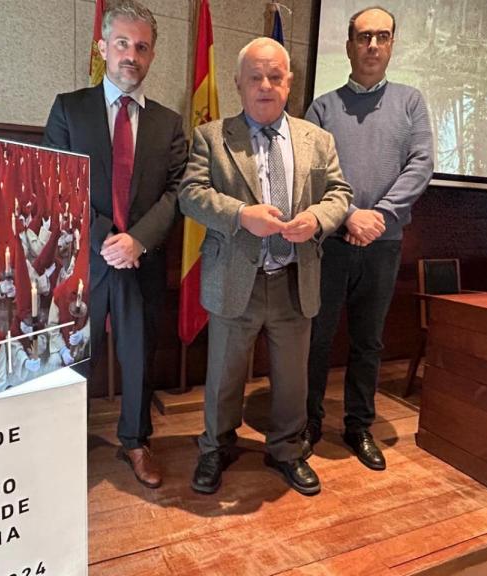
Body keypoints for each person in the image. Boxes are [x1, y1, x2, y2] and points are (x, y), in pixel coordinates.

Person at [179, 37, 351, 496]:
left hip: (295, 279)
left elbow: (340, 195)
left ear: (289, 82)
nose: (265, 85)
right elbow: (190, 194)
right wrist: (240, 215)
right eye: (255, 76)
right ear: (238, 83)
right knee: (223, 376)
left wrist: (317, 218)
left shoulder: (319, 140)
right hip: (236, 278)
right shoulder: (212, 137)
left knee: (293, 378)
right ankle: (214, 447)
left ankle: (287, 450)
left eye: (275, 76)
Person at [43, 0, 186, 489]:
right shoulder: (69, 108)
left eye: (142, 47)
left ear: (151, 56)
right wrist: (107, 237)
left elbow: (176, 192)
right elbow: (57, 184)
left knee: (140, 356)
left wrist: (139, 241)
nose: (131, 55)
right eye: (122, 43)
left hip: (142, 262)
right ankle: (60, 443)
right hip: (83, 260)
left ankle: (135, 441)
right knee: (72, 358)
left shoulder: (169, 123)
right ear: (102, 48)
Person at [304, 7, 434, 471]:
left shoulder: (410, 102)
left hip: (383, 242)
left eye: (382, 37)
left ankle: (358, 426)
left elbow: (421, 165)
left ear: (392, 44)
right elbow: (309, 174)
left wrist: (378, 215)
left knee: (368, 342)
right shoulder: (322, 107)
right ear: (349, 45)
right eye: (364, 37)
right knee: (317, 338)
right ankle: (308, 423)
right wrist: (349, 217)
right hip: (330, 244)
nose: (373, 46)